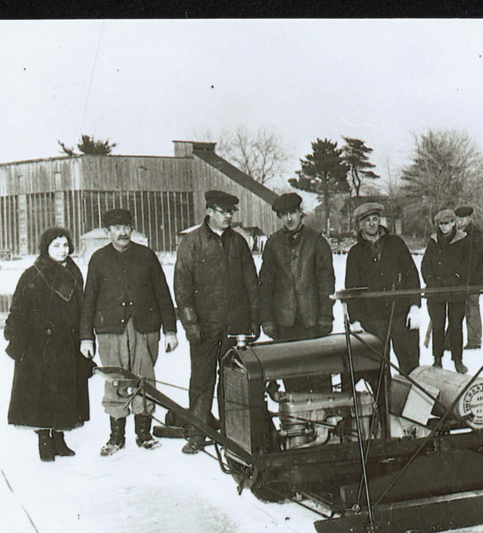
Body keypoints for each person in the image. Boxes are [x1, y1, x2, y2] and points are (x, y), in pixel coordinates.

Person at [80, 208, 178, 455]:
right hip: (110, 330)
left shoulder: (146, 256)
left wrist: (170, 330)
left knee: (143, 376)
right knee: (116, 378)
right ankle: (116, 436)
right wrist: (85, 337)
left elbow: (163, 295)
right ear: (107, 232)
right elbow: (88, 299)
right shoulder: (98, 259)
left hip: (145, 328)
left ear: (132, 229)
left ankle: (143, 434)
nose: (122, 232)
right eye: (116, 228)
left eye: (126, 227)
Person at [174, 189, 260, 454]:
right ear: (209, 211)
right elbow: (182, 287)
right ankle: (197, 433)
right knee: (201, 381)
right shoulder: (191, 243)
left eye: (232, 212)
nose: (229, 217)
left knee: (233, 381)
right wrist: (191, 325)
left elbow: (251, 284)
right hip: (204, 328)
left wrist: (253, 322)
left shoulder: (238, 242)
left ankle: (232, 433)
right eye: (224, 212)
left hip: (235, 328)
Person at [5, 227, 92, 461]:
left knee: (65, 391)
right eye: (56, 246)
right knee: (41, 393)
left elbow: (82, 307)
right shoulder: (33, 273)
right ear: (46, 248)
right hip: (39, 346)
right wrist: (17, 338)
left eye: (65, 245)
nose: (62, 250)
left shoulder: (74, 272)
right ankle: (44, 438)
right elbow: (18, 308)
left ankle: (60, 438)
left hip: (67, 344)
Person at [258, 191, 336, 392]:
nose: (289, 218)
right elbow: (265, 284)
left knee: (320, 378)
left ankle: (325, 420)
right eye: (284, 215)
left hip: (313, 322)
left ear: (301, 213)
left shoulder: (317, 241)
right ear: (279, 217)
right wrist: (266, 319)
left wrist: (326, 315)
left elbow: (326, 281)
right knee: (292, 380)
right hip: (284, 324)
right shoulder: (273, 243)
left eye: (293, 212)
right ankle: (297, 422)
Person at [344, 201, 422, 376]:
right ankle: (382, 404)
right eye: (367, 220)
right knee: (377, 370)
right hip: (372, 320)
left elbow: (412, 276)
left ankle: (410, 402)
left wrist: (414, 306)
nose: (372, 223)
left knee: (411, 366)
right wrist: (355, 320)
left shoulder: (396, 243)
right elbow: (351, 290)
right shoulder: (355, 253)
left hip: (401, 316)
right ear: (360, 224)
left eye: (375, 219)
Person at [421, 208, 472, 374]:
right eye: (441, 224)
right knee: (437, 325)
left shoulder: (463, 240)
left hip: (456, 291)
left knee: (456, 326)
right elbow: (425, 263)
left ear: (453, 223)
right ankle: (437, 358)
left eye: (447, 224)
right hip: (436, 291)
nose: (443, 227)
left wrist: (457, 277)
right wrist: (429, 279)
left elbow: (468, 263)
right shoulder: (433, 241)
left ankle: (458, 360)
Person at [454, 206, 483, 349]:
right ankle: (452, 340)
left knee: (472, 307)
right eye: (458, 219)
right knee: (458, 307)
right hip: (460, 279)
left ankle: (474, 340)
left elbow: (474, 256)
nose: (460, 222)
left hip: (473, 279)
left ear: (469, 219)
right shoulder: (457, 233)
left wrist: (462, 272)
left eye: (462, 219)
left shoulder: (475, 234)